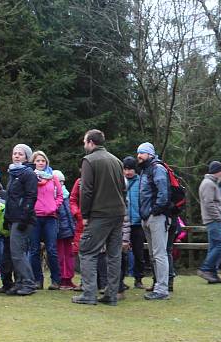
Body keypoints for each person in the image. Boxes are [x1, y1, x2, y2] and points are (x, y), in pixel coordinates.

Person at [73, 130, 126, 306]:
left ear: (90, 142)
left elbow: (86, 190)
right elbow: (122, 188)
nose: (83, 145)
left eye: (84, 142)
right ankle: (111, 294)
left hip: (99, 214)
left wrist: (85, 215)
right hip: (118, 213)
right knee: (114, 254)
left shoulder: (89, 160)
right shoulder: (117, 161)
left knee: (87, 252)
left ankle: (89, 294)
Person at [136, 142, 171, 300]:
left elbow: (163, 193)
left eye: (142, 153)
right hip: (147, 217)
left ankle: (162, 290)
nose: (139, 156)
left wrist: (154, 212)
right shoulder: (145, 170)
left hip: (156, 217)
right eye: (138, 153)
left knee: (159, 254)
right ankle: (159, 286)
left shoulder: (157, 168)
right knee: (153, 255)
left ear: (150, 154)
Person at [4, 144, 38, 296]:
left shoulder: (28, 173)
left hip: (23, 218)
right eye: (15, 153)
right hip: (13, 217)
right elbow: (10, 197)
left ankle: (29, 283)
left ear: (26, 157)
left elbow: (31, 196)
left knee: (18, 253)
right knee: (16, 252)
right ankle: (19, 283)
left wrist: (24, 217)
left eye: (20, 154)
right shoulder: (12, 173)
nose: (16, 156)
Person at [29, 151, 62, 290]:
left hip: (50, 217)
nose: (41, 163)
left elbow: (60, 195)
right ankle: (38, 280)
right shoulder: (30, 177)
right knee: (34, 250)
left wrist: (54, 206)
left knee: (52, 250)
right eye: (38, 161)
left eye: (43, 160)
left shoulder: (53, 178)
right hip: (35, 217)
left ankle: (56, 280)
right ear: (33, 162)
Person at [197, 160, 221, 284]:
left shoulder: (211, 183)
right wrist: (218, 216)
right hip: (213, 220)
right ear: (217, 171)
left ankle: (213, 275)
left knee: (215, 246)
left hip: (213, 219)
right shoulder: (208, 184)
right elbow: (209, 203)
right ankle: (205, 269)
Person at [123, 156, 149, 289]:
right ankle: (120, 280)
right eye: (126, 169)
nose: (128, 172)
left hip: (137, 223)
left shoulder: (141, 182)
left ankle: (138, 279)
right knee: (122, 252)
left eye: (130, 169)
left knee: (139, 253)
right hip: (123, 222)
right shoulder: (120, 182)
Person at [53, 170, 77, 290]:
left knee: (69, 255)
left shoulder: (67, 195)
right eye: (58, 181)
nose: (61, 184)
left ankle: (69, 278)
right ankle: (62, 278)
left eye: (62, 181)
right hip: (58, 231)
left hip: (69, 229)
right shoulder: (53, 196)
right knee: (60, 255)